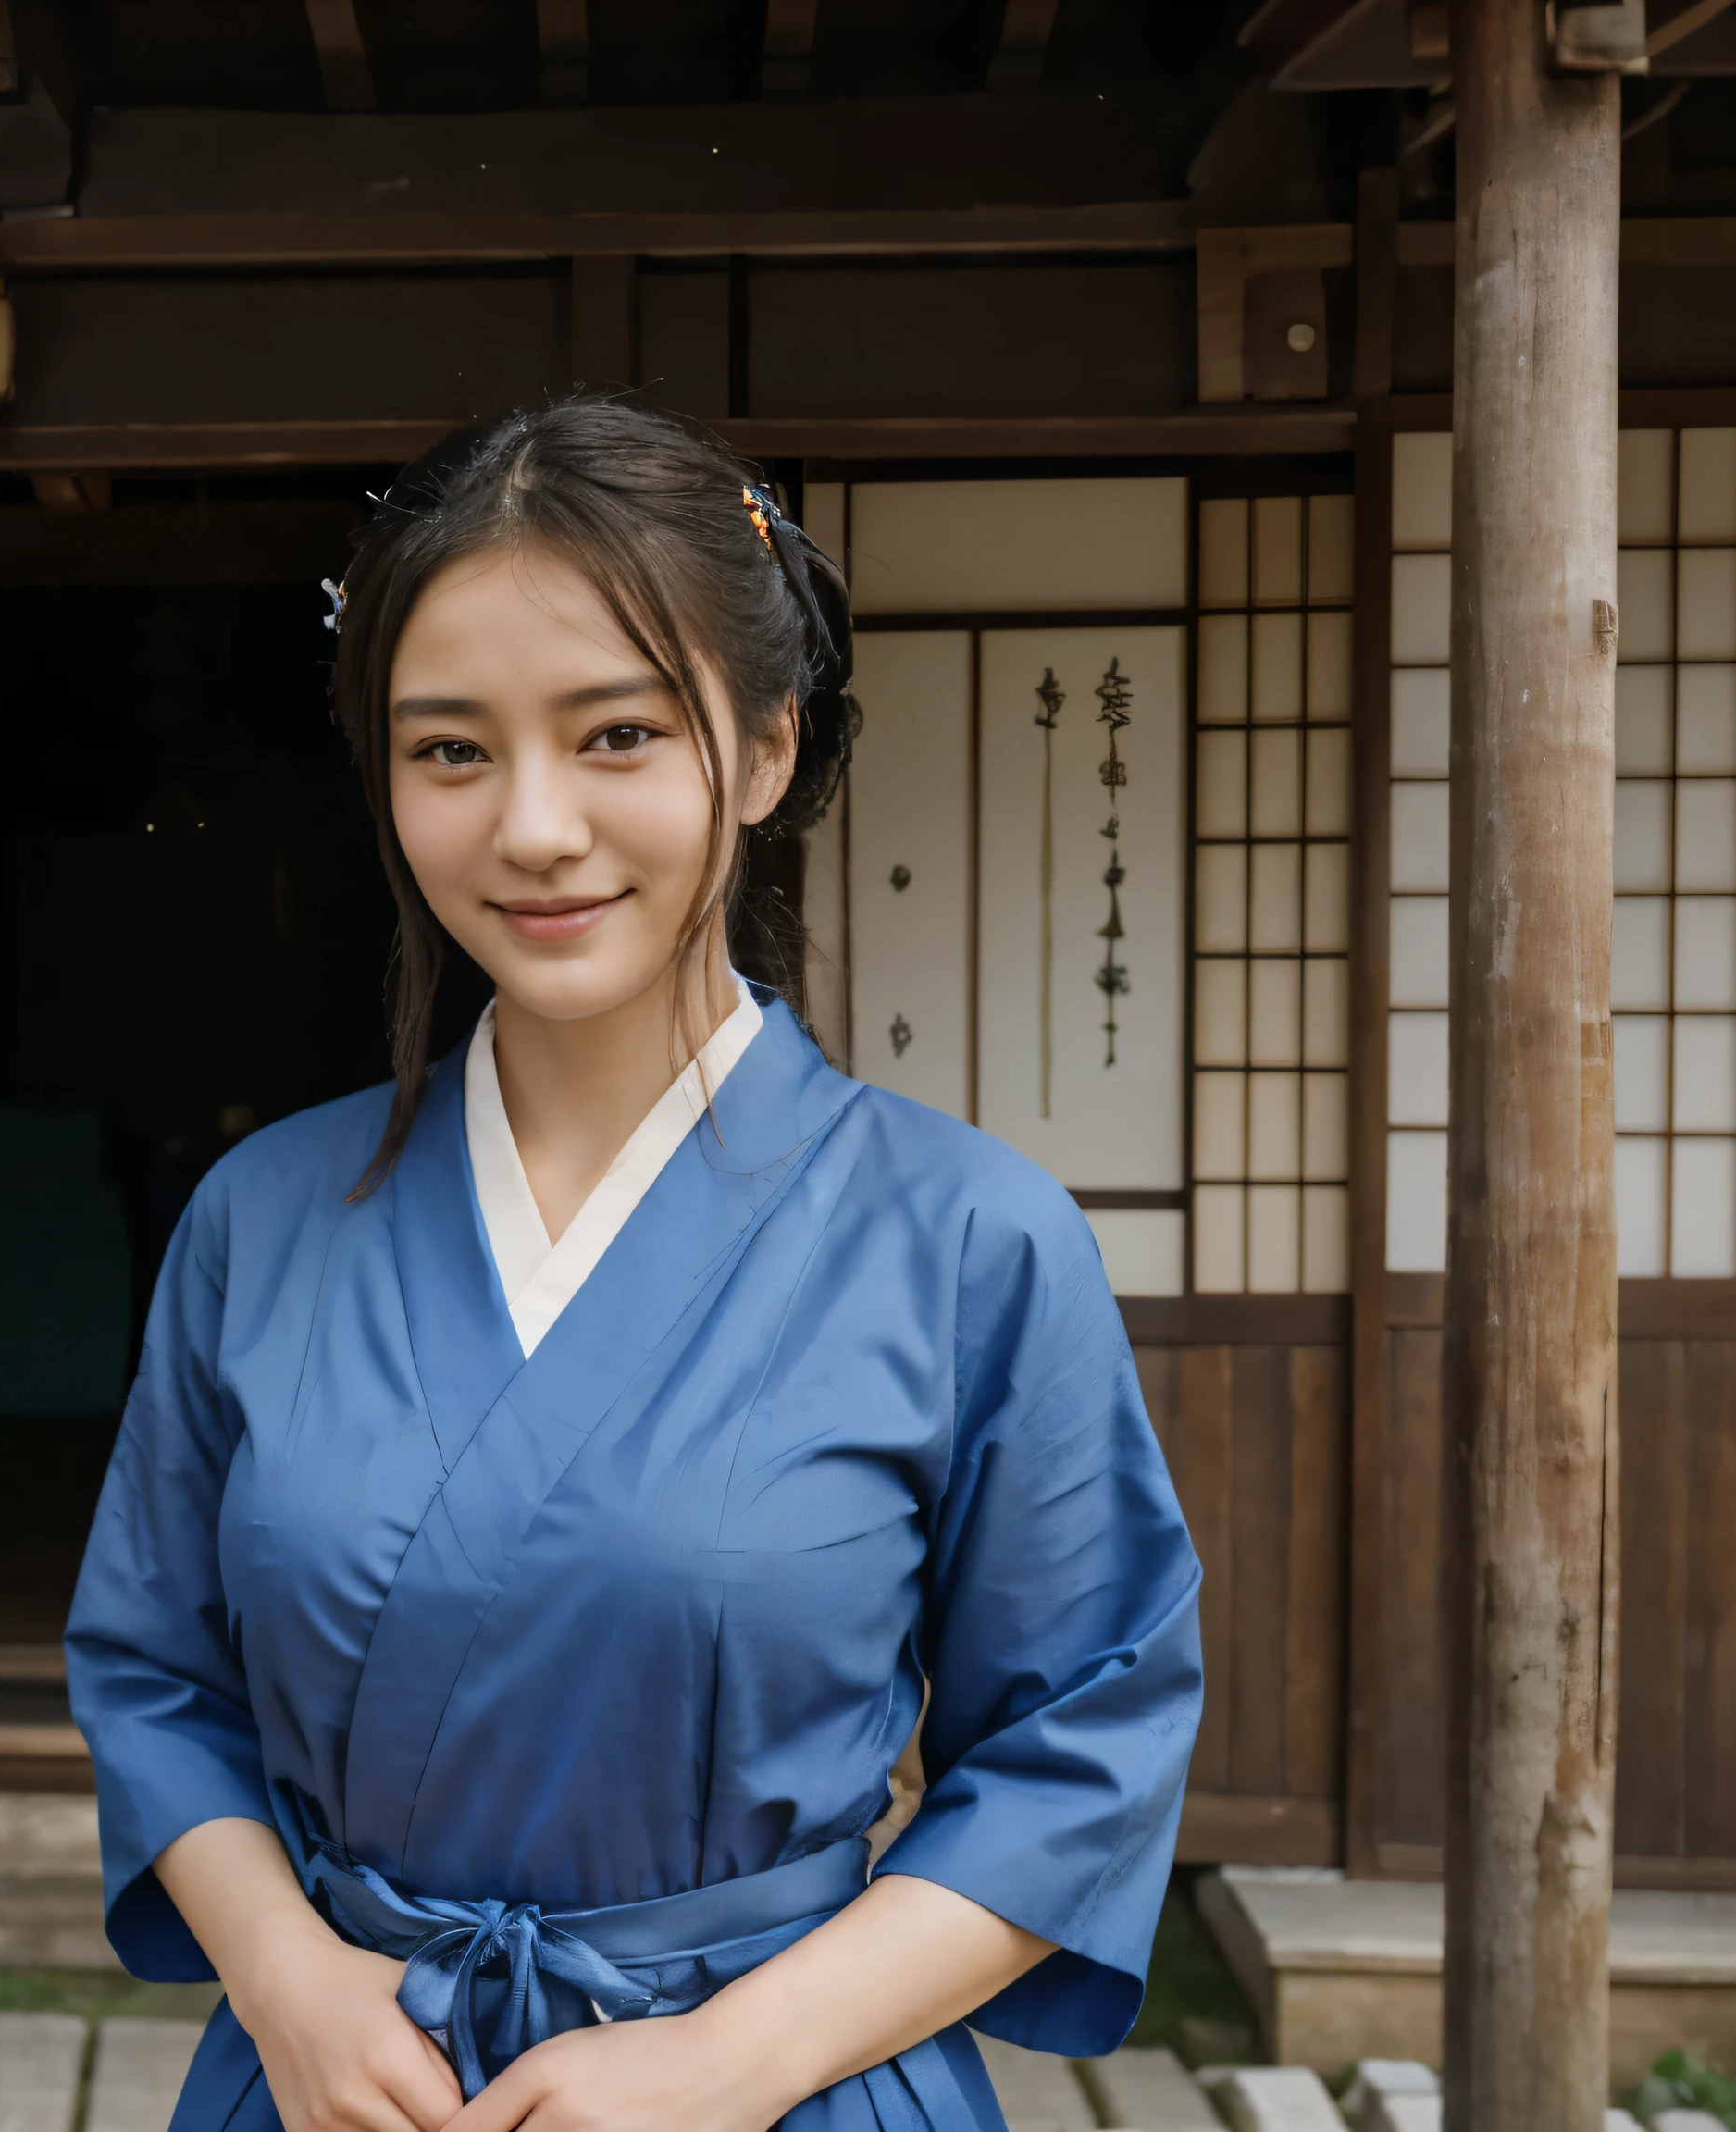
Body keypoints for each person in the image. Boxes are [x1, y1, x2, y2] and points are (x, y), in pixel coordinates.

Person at [63, 400, 1205, 2132]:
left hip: (778, 2090)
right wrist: (286, 1980)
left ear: (758, 751)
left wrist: (719, 2063)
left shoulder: (969, 1238)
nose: (531, 827)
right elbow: (154, 1669)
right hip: (338, 2090)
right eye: (449, 750)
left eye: (614, 737)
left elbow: (1085, 1746)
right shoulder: (261, 1220)